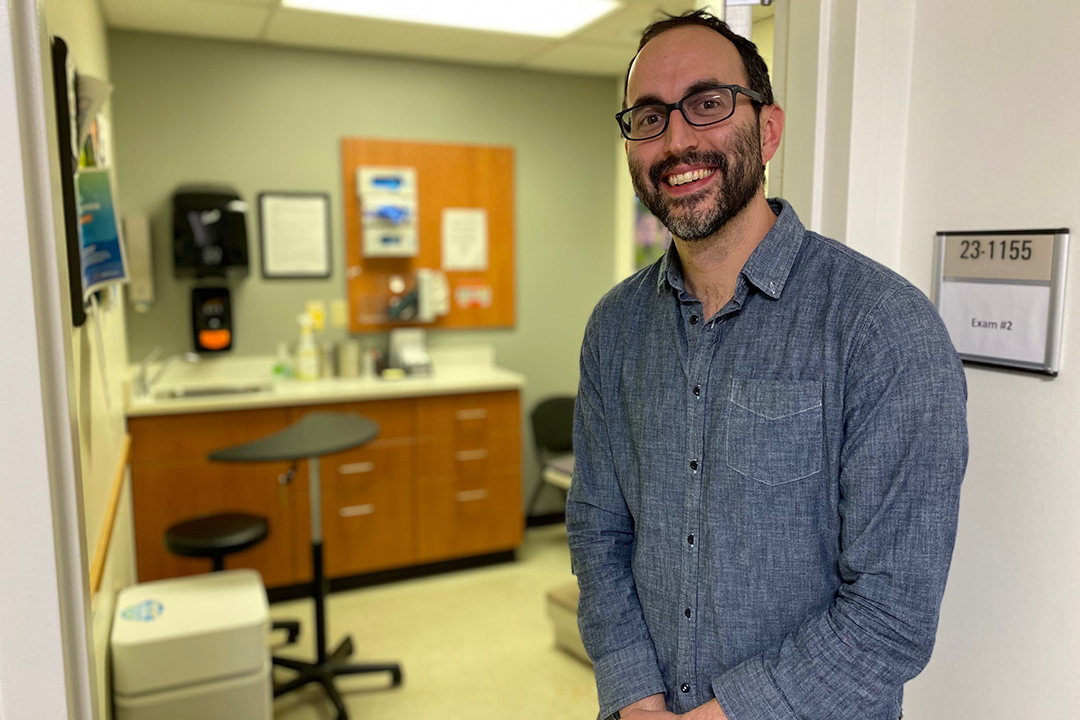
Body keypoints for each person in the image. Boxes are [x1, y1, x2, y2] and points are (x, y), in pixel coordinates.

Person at [565, 10, 968, 720]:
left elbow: (892, 614)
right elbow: (598, 535)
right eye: (649, 117)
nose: (677, 139)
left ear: (769, 129)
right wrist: (635, 697)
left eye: (708, 104)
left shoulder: (882, 329)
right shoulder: (614, 330)